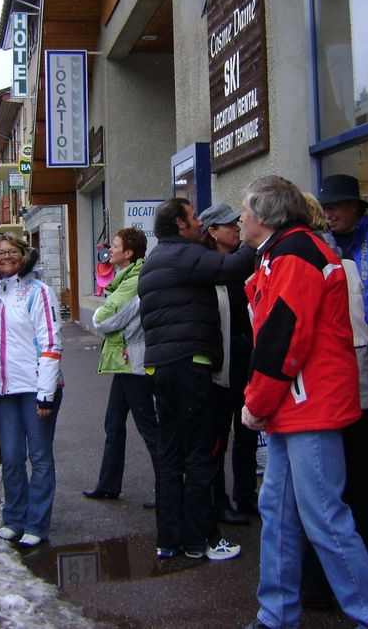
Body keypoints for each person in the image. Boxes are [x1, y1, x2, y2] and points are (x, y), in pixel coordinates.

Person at [239, 175, 368, 629]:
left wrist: (256, 400)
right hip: (299, 406)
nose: (241, 218)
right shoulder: (286, 252)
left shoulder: (294, 254)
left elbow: (283, 337)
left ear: (264, 216)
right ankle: (276, 614)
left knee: (325, 518)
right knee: (282, 513)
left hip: (308, 408)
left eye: (246, 210)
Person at [137, 197, 255, 562]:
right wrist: (258, 233)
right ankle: (201, 539)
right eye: (192, 218)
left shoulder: (154, 259)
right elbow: (234, 266)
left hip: (160, 368)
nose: (199, 224)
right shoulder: (183, 254)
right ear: (179, 225)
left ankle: (169, 540)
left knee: (171, 457)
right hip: (190, 366)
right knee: (200, 455)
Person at [298, 192, 368, 607]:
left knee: (326, 498)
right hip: (358, 392)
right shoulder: (346, 265)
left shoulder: (315, 268)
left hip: (327, 399)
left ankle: (327, 588)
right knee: (358, 488)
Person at [0, 233, 63, 549]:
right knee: (12, 457)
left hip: (35, 389)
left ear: (23, 254)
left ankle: (36, 522)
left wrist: (45, 392)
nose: (6, 257)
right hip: (4, 391)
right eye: (0, 253)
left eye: (12, 251)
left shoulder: (39, 292)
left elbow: (50, 342)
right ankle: (13, 518)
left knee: (40, 456)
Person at [83, 227, 160, 509]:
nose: (110, 250)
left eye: (115, 246)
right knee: (114, 424)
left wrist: (108, 317)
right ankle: (108, 485)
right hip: (125, 362)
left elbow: (103, 319)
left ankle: (168, 487)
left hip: (135, 364)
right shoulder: (125, 277)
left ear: (128, 253)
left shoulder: (133, 280)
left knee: (148, 428)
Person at [198, 202, 254, 525]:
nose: (237, 228)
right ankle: (219, 502)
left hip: (247, 365)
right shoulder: (210, 269)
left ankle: (246, 496)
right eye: (229, 225)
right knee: (218, 439)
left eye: (238, 222)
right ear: (212, 231)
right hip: (221, 369)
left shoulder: (246, 265)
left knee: (247, 435)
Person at [317, 174, 368, 328]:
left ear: (354, 206)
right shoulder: (320, 243)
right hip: (335, 342)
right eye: (324, 208)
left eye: (333, 207)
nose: (328, 215)